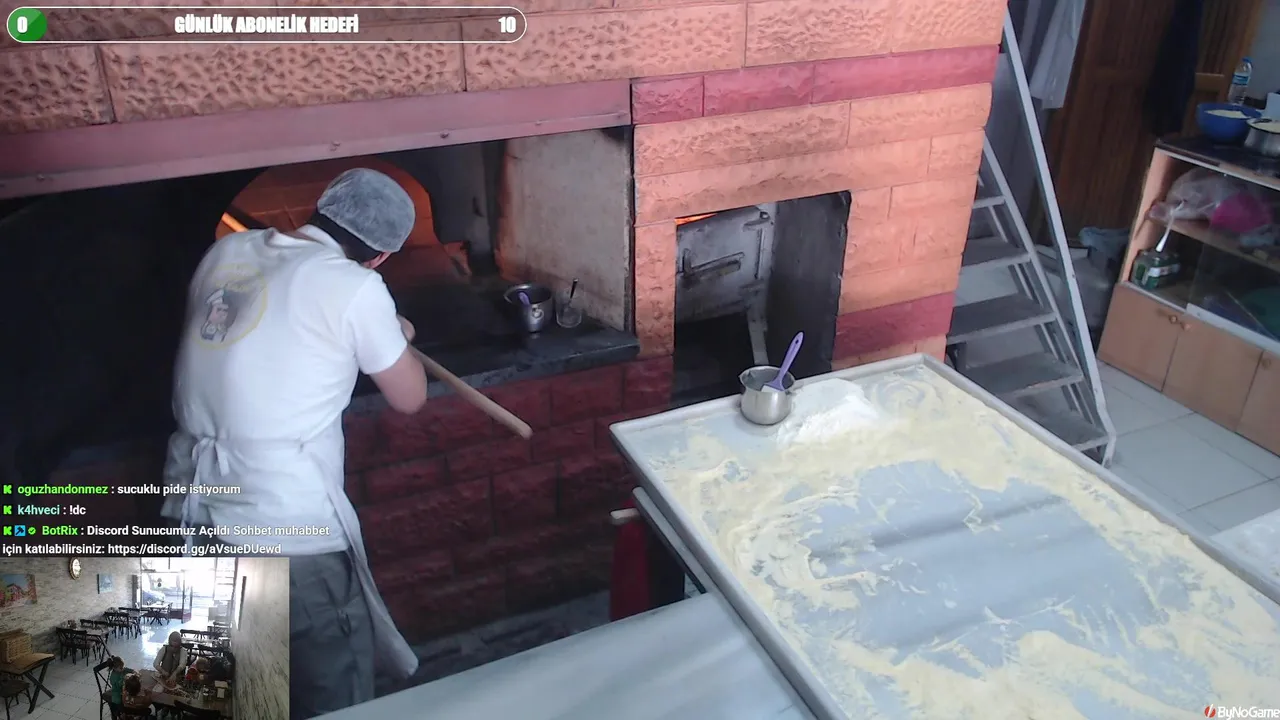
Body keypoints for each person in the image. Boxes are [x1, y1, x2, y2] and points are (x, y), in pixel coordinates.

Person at [159, 168, 427, 718]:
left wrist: (380, 327)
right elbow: (410, 396)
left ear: (319, 208)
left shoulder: (226, 252)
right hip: (285, 530)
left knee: (239, 697)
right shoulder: (354, 287)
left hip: (193, 514)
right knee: (334, 699)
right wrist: (396, 334)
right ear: (379, 257)